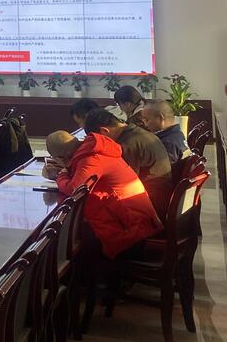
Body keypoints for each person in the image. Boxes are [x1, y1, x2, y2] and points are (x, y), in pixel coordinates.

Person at [45, 130, 162, 260]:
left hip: (130, 229)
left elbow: (75, 190)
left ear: (60, 158)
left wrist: (60, 175)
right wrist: (65, 172)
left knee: (71, 239)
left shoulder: (91, 159)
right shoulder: (93, 151)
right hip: (131, 220)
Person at [83, 107, 173, 216]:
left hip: (153, 206)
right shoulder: (135, 132)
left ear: (104, 131)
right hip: (160, 196)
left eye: (97, 140)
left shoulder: (126, 145)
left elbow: (122, 184)